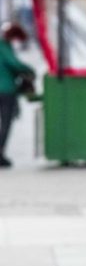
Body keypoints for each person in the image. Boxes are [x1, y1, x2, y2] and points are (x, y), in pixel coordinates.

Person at [0, 22, 35, 168]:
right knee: (6, 123)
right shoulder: (3, 46)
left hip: (5, 89)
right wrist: (30, 70)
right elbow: (14, 64)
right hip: (5, 90)